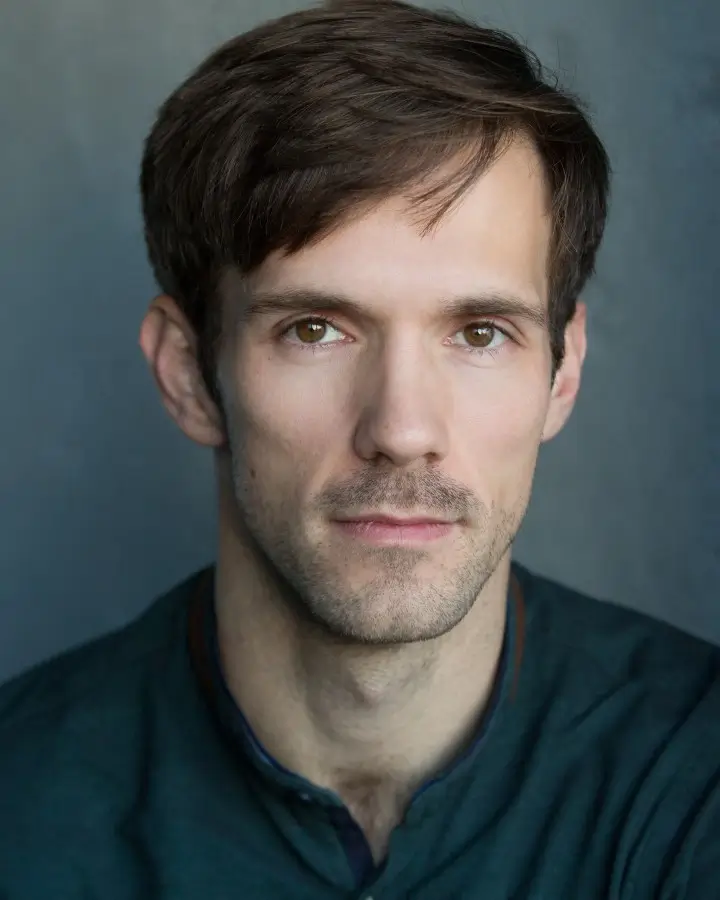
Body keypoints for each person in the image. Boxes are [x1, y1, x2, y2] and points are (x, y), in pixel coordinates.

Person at [1, 0, 718, 896]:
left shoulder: (696, 781)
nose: (402, 430)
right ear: (189, 373)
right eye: (315, 329)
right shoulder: (21, 810)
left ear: (562, 374)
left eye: (481, 333)